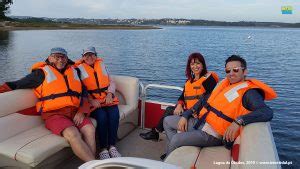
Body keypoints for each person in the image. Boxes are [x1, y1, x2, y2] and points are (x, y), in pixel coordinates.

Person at [163, 55, 277, 156]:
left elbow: (266, 112)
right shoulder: (225, 84)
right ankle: (173, 153)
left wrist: (239, 121)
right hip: (202, 123)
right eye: (228, 71)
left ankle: (167, 163)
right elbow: (204, 100)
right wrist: (185, 115)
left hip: (214, 134)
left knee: (176, 139)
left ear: (245, 71)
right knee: (167, 121)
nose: (231, 73)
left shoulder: (249, 92)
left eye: (236, 70)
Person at [0, 47, 96, 162]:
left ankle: (92, 163)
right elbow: (16, 84)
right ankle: (94, 164)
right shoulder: (40, 73)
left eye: (63, 57)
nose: (60, 60)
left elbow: (83, 91)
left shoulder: (75, 71)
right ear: (50, 58)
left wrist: (81, 111)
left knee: (90, 129)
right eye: (56, 57)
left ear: (67, 58)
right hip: (54, 114)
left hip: (75, 111)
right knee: (73, 133)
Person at [140, 52, 219, 141]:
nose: (195, 66)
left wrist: (193, 111)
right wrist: (179, 105)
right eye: (192, 64)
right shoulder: (189, 81)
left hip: (197, 114)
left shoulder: (208, 79)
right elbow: (182, 96)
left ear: (203, 65)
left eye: (198, 63)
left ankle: (156, 132)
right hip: (188, 110)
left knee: (169, 111)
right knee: (170, 110)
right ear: (189, 66)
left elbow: (210, 98)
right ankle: (160, 135)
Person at [76, 46, 121, 160]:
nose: (89, 57)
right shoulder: (78, 69)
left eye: (92, 54)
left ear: (96, 56)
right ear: (83, 57)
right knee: (102, 117)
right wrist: (91, 100)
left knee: (114, 115)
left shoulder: (101, 65)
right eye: (86, 55)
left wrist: (110, 94)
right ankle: (103, 149)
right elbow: (79, 89)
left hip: (107, 99)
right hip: (93, 103)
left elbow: (111, 82)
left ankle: (112, 146)